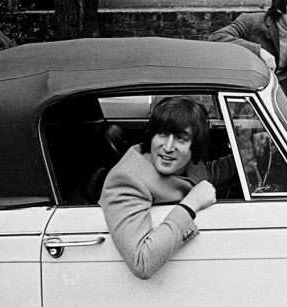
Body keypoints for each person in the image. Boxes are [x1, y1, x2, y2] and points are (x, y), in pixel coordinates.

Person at [99, 97, 236, 279]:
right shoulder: (127, 180)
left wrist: (248, 155)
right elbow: (142, 261)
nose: (168, 147)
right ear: (152, 136)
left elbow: (207, 173)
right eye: (162, 134)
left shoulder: (187, 162)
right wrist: (189, 206)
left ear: (194, 147)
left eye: (180, 138)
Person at [208, 0, 287, 92]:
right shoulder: (251, 22)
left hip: (278, 92)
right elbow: (216, 37)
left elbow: (285, 74)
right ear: (279, 8)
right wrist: (259, 52)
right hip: (245, 90)